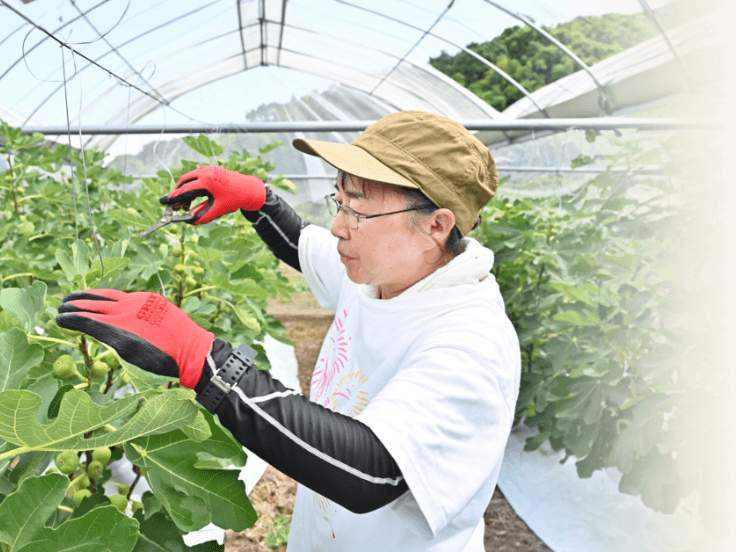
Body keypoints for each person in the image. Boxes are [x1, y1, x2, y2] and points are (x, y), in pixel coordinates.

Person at [57, 110, 521, 552]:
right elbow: (302, 244)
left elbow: (372, 471)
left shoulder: (471, 340)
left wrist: (208, 363)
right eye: (339, 199)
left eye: (358, 210)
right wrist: (260, 201)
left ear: (436, 226)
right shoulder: (385, 274)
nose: (338, 226)